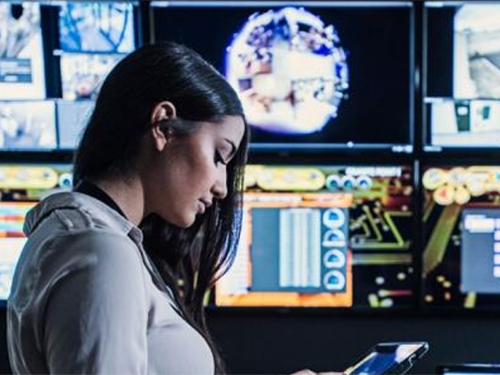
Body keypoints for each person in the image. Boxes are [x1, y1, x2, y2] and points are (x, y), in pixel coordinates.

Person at [7, 41, 335, 375]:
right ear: (164, 126)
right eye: (219, 156)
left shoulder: (87, 237)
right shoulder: (100, 249)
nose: (222, 187)